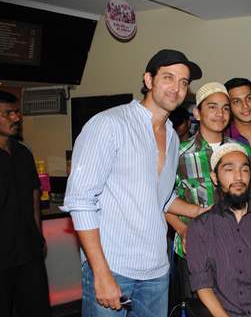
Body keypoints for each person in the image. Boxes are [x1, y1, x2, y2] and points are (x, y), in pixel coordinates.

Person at [62, 49, 205, 317]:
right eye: (168, 78)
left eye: (183, 82)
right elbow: (80, 200)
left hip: (157, 271)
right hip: (112, 267)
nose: (176, 88)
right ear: (148, 80)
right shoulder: (109, 124)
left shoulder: (173, 138)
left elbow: (159, 196)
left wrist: (197, 212)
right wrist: (100, 272)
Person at [166, 82, 249, 303]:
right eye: (212, 107)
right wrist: (183, 230)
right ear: (197, 113)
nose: (220, 114)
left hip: (234, 250)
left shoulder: (240, 151)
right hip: (193, 251)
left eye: (225, 108)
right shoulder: (180, 152)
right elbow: (162, 200)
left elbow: (250, 200)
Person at [186, 143, 251, 316]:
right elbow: (202, 284)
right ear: (215, 178)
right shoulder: (200, 227)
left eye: (244, 170)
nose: (238, 177)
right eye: (229, 170)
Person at [0, 90, 51, 317]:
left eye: (17, 112)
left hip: (28, 251)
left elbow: (33, 196)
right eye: (7, 113)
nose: (16, 118)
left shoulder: (23, 153)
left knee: (37, 310)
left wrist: (38, 235)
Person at [224, 78, 251, 162]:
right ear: (228, 106)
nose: (245, 106)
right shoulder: (222, 141)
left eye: (249, 98)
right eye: (237, 101)